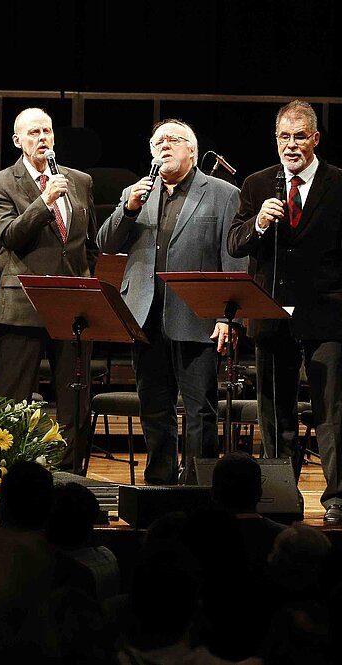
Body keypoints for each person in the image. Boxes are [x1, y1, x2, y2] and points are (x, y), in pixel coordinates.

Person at [98, 119, 246, 485]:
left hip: (198, 315)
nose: (163, 145)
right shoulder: (138, 192)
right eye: (157, 142)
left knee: (200, 409)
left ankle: (199, 484)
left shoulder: (223, 193)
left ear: (192, 150)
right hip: (144, 316)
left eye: (172, 140)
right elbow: (106, 243)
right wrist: (128, 208)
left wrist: (229, 317)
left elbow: (234, 259)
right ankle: (160, 480)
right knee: (154, 406)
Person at [227, 100, 342, 523]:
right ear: (275, 139)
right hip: (271, 316)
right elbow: (235, 244)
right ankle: (280, 496)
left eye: (299, 137)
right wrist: (258, 223)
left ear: (314, 139)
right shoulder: (258, 185)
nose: (290, 145)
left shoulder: (337, 183)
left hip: (327, 318)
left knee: (332, 415)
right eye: (283, 137)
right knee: (276, 415)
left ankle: (336, 500)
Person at [0, 108, 99, 473]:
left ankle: (70, 478)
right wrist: (45, 200)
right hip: (23, 303)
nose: (43, 138)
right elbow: (10, 236)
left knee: (74, 399)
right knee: (14, 399)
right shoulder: (0, 183)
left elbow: (89, 243)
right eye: (34, 132)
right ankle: (9, 476)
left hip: (73, 306)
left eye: (47, 131)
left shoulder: (79, 180)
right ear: (18, 140)